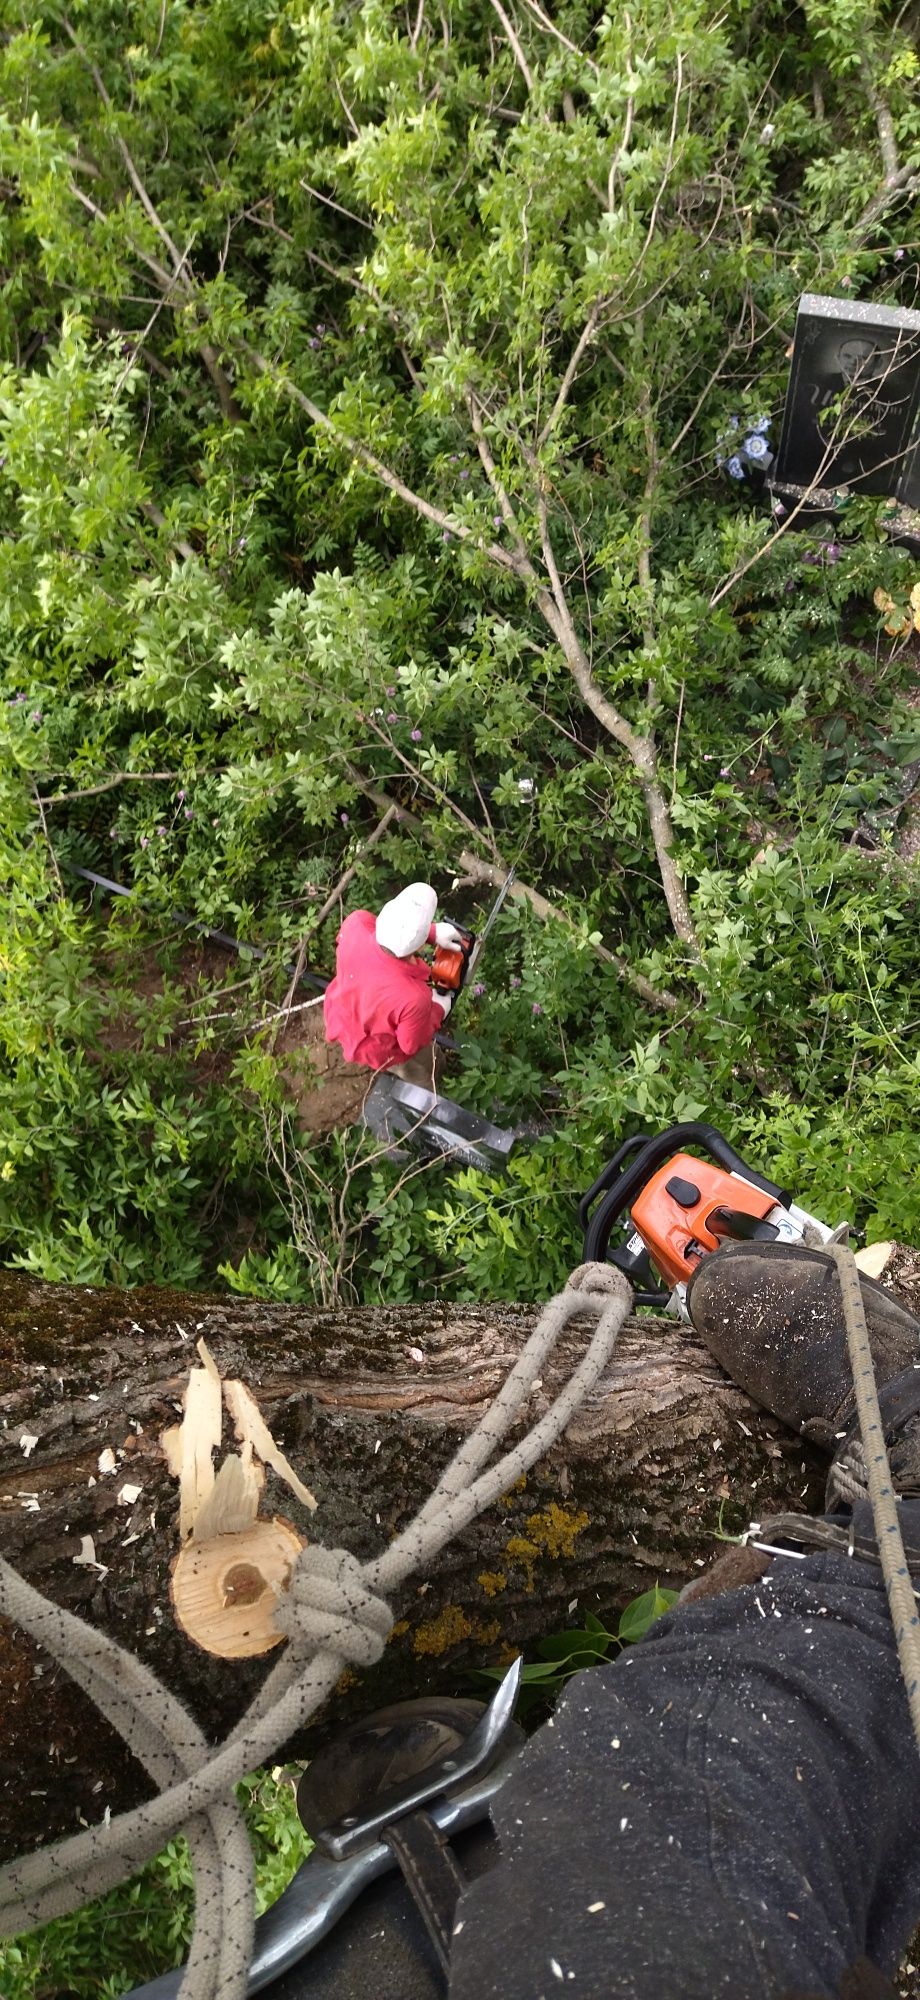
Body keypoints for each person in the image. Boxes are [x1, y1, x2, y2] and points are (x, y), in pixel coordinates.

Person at [323, 881, 466, 1084]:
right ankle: (430, 1086)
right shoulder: (413, 999)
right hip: (378, 1047)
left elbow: (390, 934)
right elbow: (409, 1045)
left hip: (342, 1011)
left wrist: (431, 933)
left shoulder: (356, 923)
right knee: (422, 1068)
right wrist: (436, 1011)